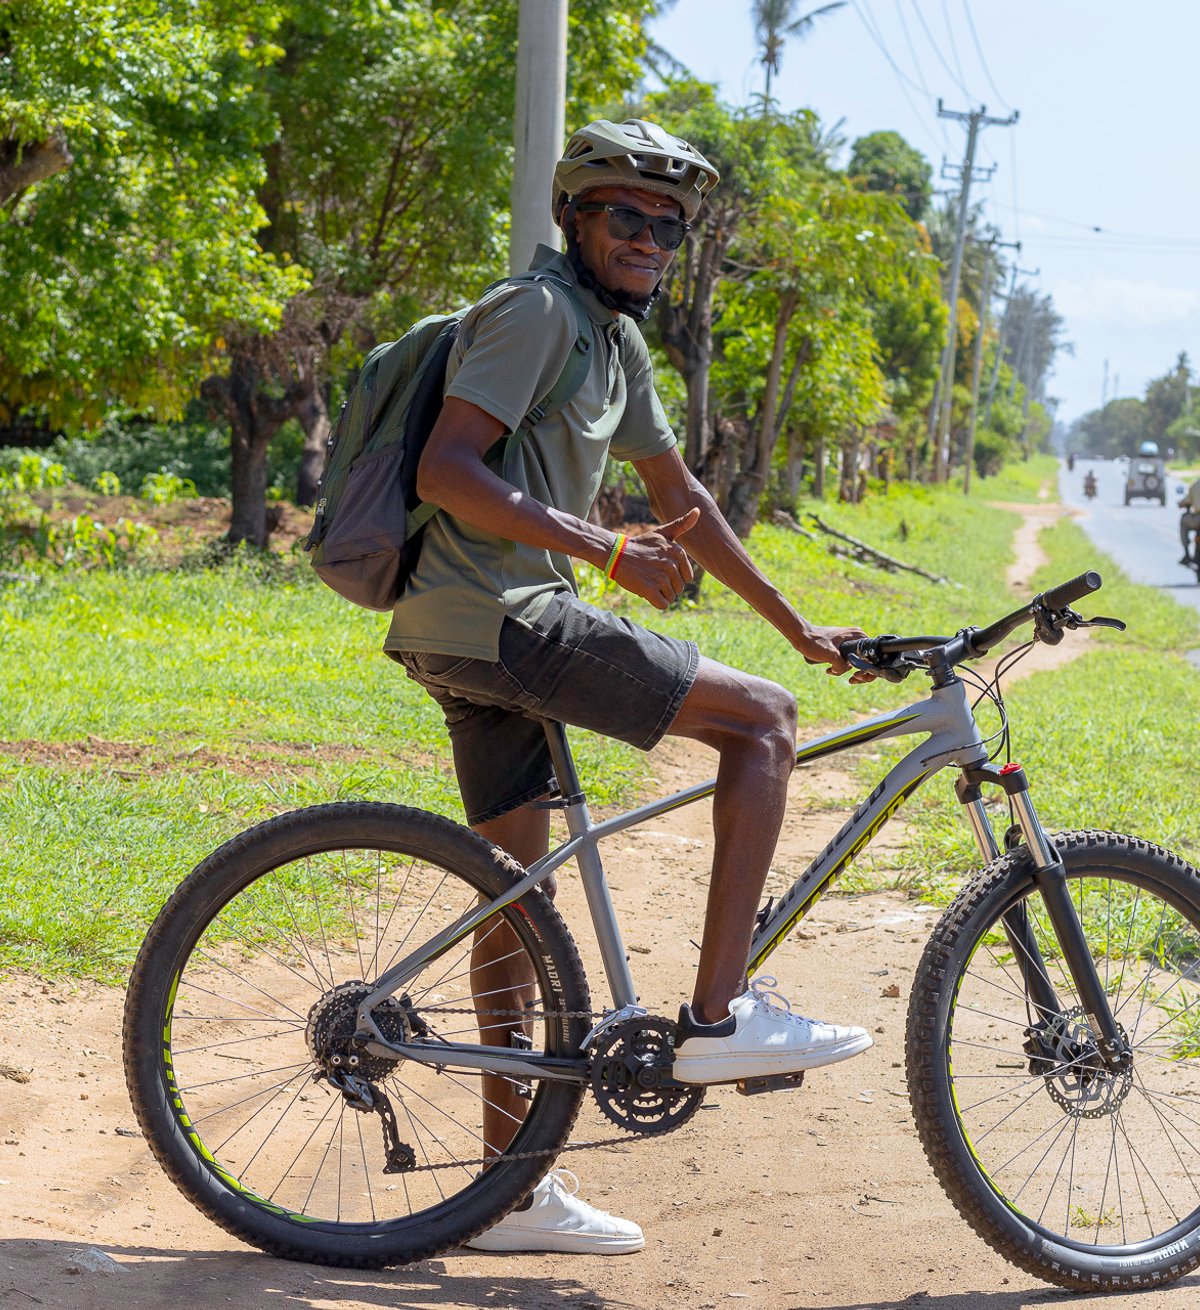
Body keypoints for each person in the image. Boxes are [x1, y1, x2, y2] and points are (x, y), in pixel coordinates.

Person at [386, 118, 874, 1255]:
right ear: (577, 218)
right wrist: (602, 551)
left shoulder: (613, 341)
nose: (651, 238)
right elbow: (445, 469)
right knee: (762, 726)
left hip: (465, 628)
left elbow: (683, 497)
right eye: (628, 216)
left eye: (670, 225)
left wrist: (796, 623)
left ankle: (508, 1192)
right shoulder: (536, 312)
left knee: (516, 900)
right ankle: (719, 1015)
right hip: (504, 615)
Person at [1179, 475, 1200, 564]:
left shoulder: (1196, 484)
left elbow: (1186, 501)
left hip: (1197, 519)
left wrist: (1181, 504)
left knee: (1183, 520)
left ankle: (1187, 553)